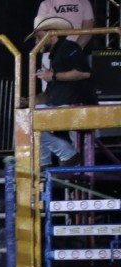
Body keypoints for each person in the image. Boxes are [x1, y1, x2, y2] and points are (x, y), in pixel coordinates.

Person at [25, 15, 97, 167]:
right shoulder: (56, 55)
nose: (37, 42)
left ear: (53, 33)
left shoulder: (69, 48)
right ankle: (45, 164)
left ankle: (64, 154)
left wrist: (54, 75)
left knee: (29, 124)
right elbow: (50, 94)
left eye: (39, 37)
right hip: (62, 105)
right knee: (26, 119)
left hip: (76, 105)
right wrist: (29, 100)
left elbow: (84, 73)